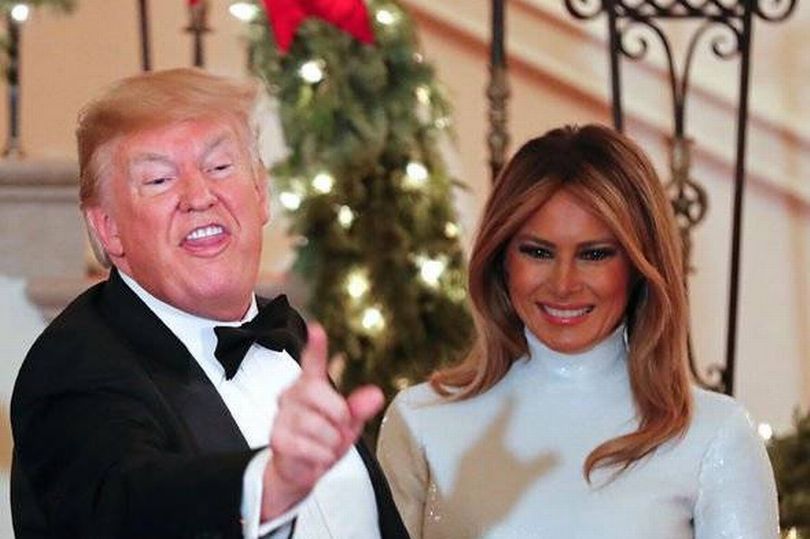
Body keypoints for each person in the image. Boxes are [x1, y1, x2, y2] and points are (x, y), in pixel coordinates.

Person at [11, 68, 408, 539]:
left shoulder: (287, 331)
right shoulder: (74, 362)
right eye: (159, 179)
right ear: (108, 229)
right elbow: (125, 501)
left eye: (219, 167)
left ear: (260, 194)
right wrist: (266, 486)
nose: (199, 196)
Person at [377, 124, 779, 538]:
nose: (563, 284)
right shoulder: (420, 421)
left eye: (595, 254)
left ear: (639, 266)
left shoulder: (714, 436)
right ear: (501, 259)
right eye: (538, 252)